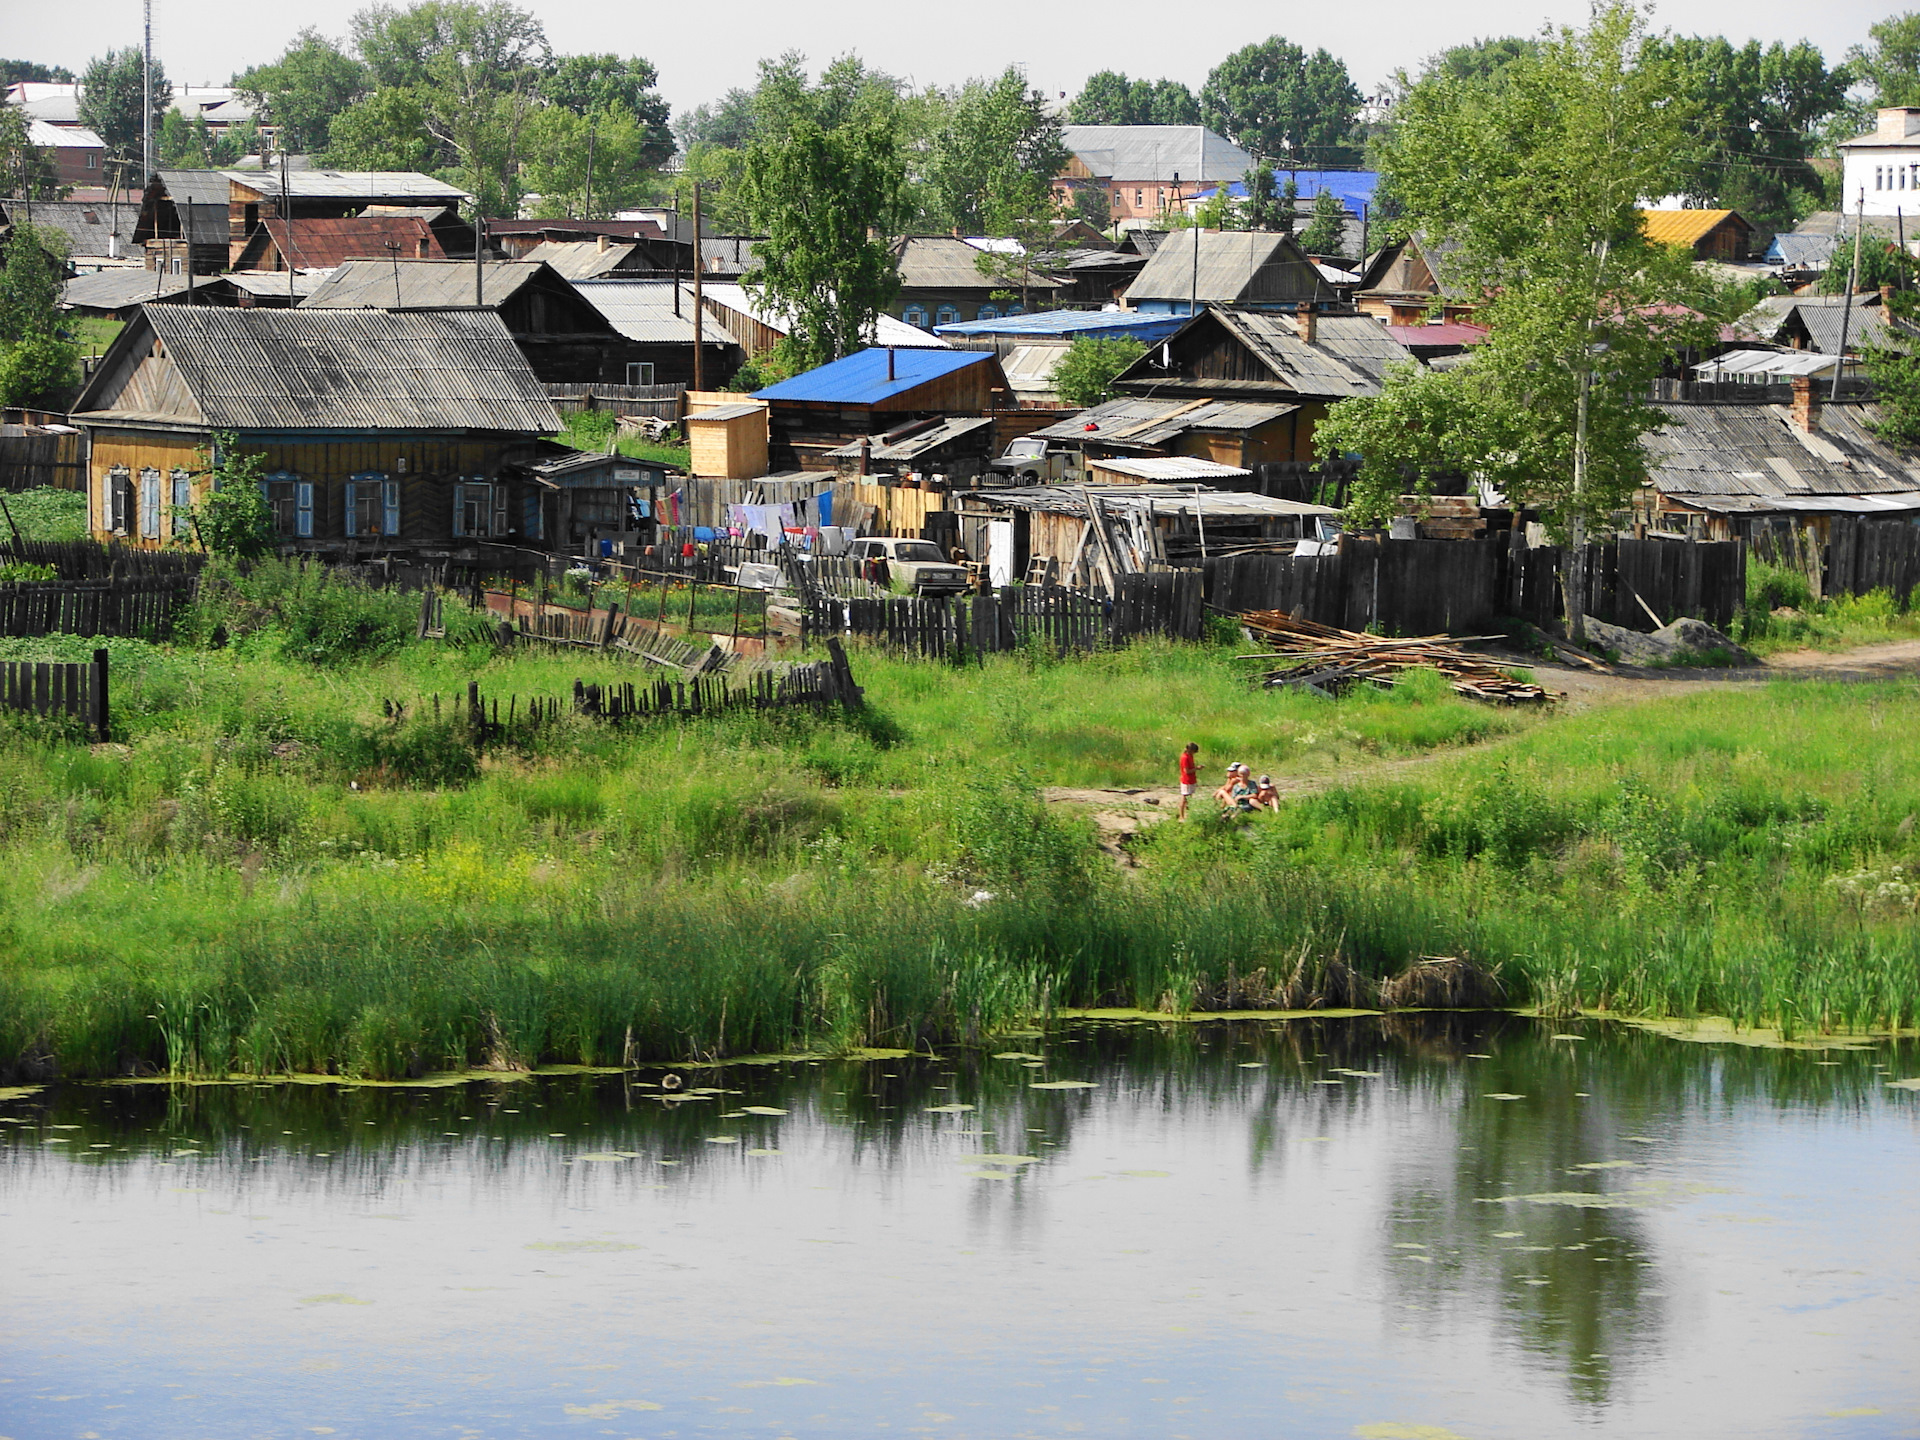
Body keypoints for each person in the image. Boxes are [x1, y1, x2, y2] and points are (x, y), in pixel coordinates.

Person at [1177, 742, 1200, 820]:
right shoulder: (1185, 757)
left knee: (1189, 798)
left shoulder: (1190, 756)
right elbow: (1186, 771)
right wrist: (1197, 768)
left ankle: (1188, 815)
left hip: (1191, 780)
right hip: (1186, 780)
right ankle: (1181, 816)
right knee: (1184, 798)